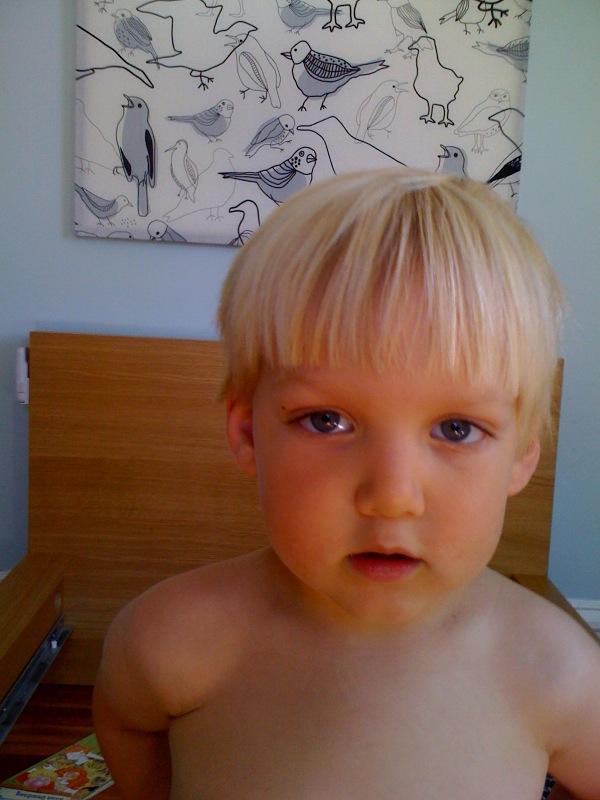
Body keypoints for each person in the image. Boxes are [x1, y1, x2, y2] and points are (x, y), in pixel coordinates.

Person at [93, 170, 600, 800]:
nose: (392, 496)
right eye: (326, 420)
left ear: (521, 458)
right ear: (248, 434)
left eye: (457, 428)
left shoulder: (562, 674)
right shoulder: (171, 639)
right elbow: (128, 727)